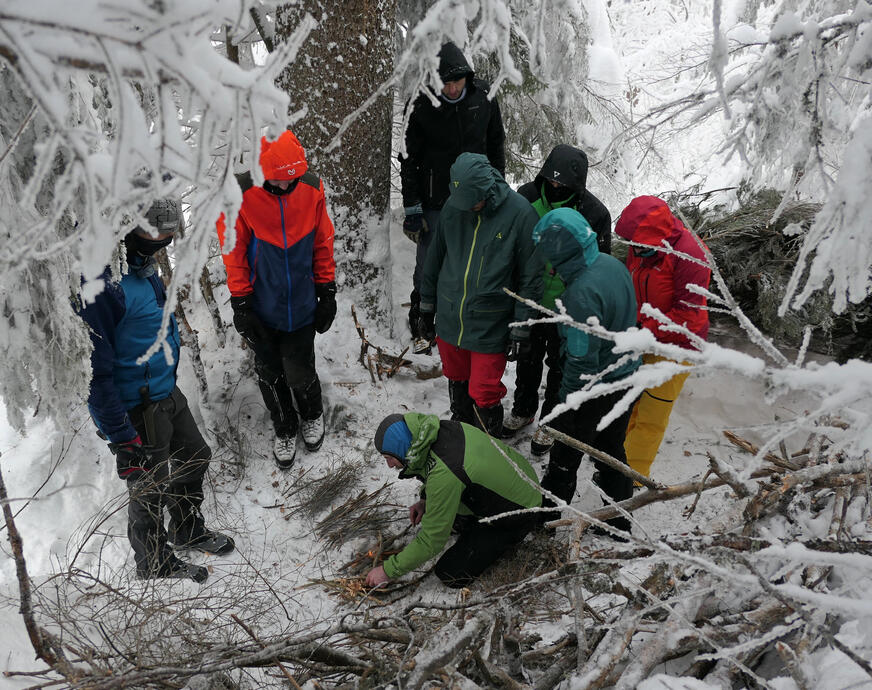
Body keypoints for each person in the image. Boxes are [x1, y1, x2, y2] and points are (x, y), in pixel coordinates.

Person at [79, 200, 234, 583]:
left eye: (168, 237)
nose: (161, 244)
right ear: (128, 228)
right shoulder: (101, 285)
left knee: (196, 455)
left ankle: (186, 528)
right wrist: (120, 436)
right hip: (135, 407)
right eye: (154, 235)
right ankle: (154, 562)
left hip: (165, 392)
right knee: (148, 488)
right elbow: (94, 373)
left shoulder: (143, 269)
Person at [217, 130, 337, 470]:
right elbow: (234, 252)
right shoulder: (240, 194)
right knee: (270, 372)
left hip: (300, 301)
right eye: (278, 182)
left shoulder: (311, 187)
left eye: (292, 181)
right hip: (262, 306)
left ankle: (312, 413)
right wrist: (240, 302)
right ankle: (284, 426)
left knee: (299, 370)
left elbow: (322, 241)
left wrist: (327, 289)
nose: (286, 187)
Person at [418, 152, 543, 436]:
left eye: (473, 203)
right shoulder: (455, 206)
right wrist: (426, 304)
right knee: (457, 380)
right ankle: (461, 440)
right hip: (451, 317)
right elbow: (434, 258)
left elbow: (531, 277)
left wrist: (522, 328)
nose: (469, 208)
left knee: (484, 390)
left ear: (488, 190)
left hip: (491, 322)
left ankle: (488, 448)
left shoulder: (521, 214)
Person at [532, 208, 639, 535]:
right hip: (628, 375)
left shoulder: (581, 293)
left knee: (565, 455)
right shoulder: (610, 264)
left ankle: (546, 519)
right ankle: (620, 519)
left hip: (595, 388)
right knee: (611, 450)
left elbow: (581, 365)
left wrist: (566, 405)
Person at [503, 145, 613, 456]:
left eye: (561, 184)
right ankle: (523, 409)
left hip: (568, 306)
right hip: (531, 298)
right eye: (550, 181)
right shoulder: (525, 197)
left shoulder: (595, 213)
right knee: (527, 358)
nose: (554, 187)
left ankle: (551, 421)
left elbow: (599, 262)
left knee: (561, 367)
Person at [400, 41, 506, 354]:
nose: (450, 88)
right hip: (435, 198)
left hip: (476, 196)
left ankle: (462, 318)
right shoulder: (421, 103)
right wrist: (412, 207)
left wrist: (496, 187)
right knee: (429, 261)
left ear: (467, 79)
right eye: (444, 82)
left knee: (472, 259)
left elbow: (496, 143)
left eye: (456, 81)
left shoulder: (484, 98)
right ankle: (421, 320)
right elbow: (408, 158)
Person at [365, 412, 542, 589]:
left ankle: (502, 534)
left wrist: (387, 571)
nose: (389, 465)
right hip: (524, 479)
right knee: (448, 511)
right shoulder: (440, 431)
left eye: (389, 458)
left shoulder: (445, 474)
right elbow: (445, 469)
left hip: (520, 511)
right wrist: (426, 499)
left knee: (451, 573)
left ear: (401, 446)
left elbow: (432, 540)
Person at [614, 196, 711, 478]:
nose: (633, 250)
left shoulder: (692, 255)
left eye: (638, 245)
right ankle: (617, 459)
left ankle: (630, 477)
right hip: (644, 335)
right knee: (632, 401)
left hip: (678, 347)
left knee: (652, 415)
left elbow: (690, 317)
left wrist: (644, 329)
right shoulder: (641, 244)